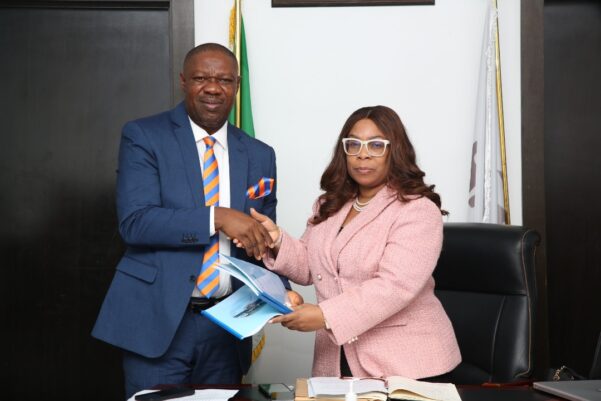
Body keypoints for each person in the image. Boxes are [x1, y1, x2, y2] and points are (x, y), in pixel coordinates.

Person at [92, 43, 302, 399]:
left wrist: (281, 289)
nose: (213, 88)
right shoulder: (145, 136)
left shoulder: (259, 154)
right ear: (184, 81)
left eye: (225, 80)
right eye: (202, 78)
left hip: (227, 328)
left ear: (236, 86)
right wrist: (217, 217)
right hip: (158, 323)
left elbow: (262, 239)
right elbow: (136, 222)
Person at [246, 105, 461, 379]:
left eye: (376, 145)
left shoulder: (417, 210)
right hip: (338, 358)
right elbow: (311, 267)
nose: (363, 154)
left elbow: (394, 287)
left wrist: (324, 315)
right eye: (354, 144)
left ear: (395, 151)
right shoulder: (330, 204)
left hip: (407, 364)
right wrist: (276, 239)